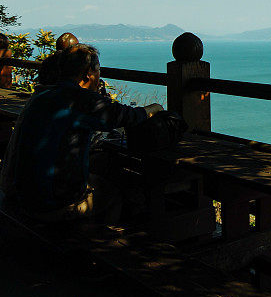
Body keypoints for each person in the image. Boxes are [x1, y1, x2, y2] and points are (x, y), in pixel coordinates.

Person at [0, 44, 164, 222]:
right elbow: (128, 116)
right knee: (114, 193)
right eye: (99, 70)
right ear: (89, 73)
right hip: (45, 203)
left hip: (16, 191)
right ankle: (97, 243)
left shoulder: (42, 94)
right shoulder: (79, 99)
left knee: (100, 164)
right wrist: (156, 108)